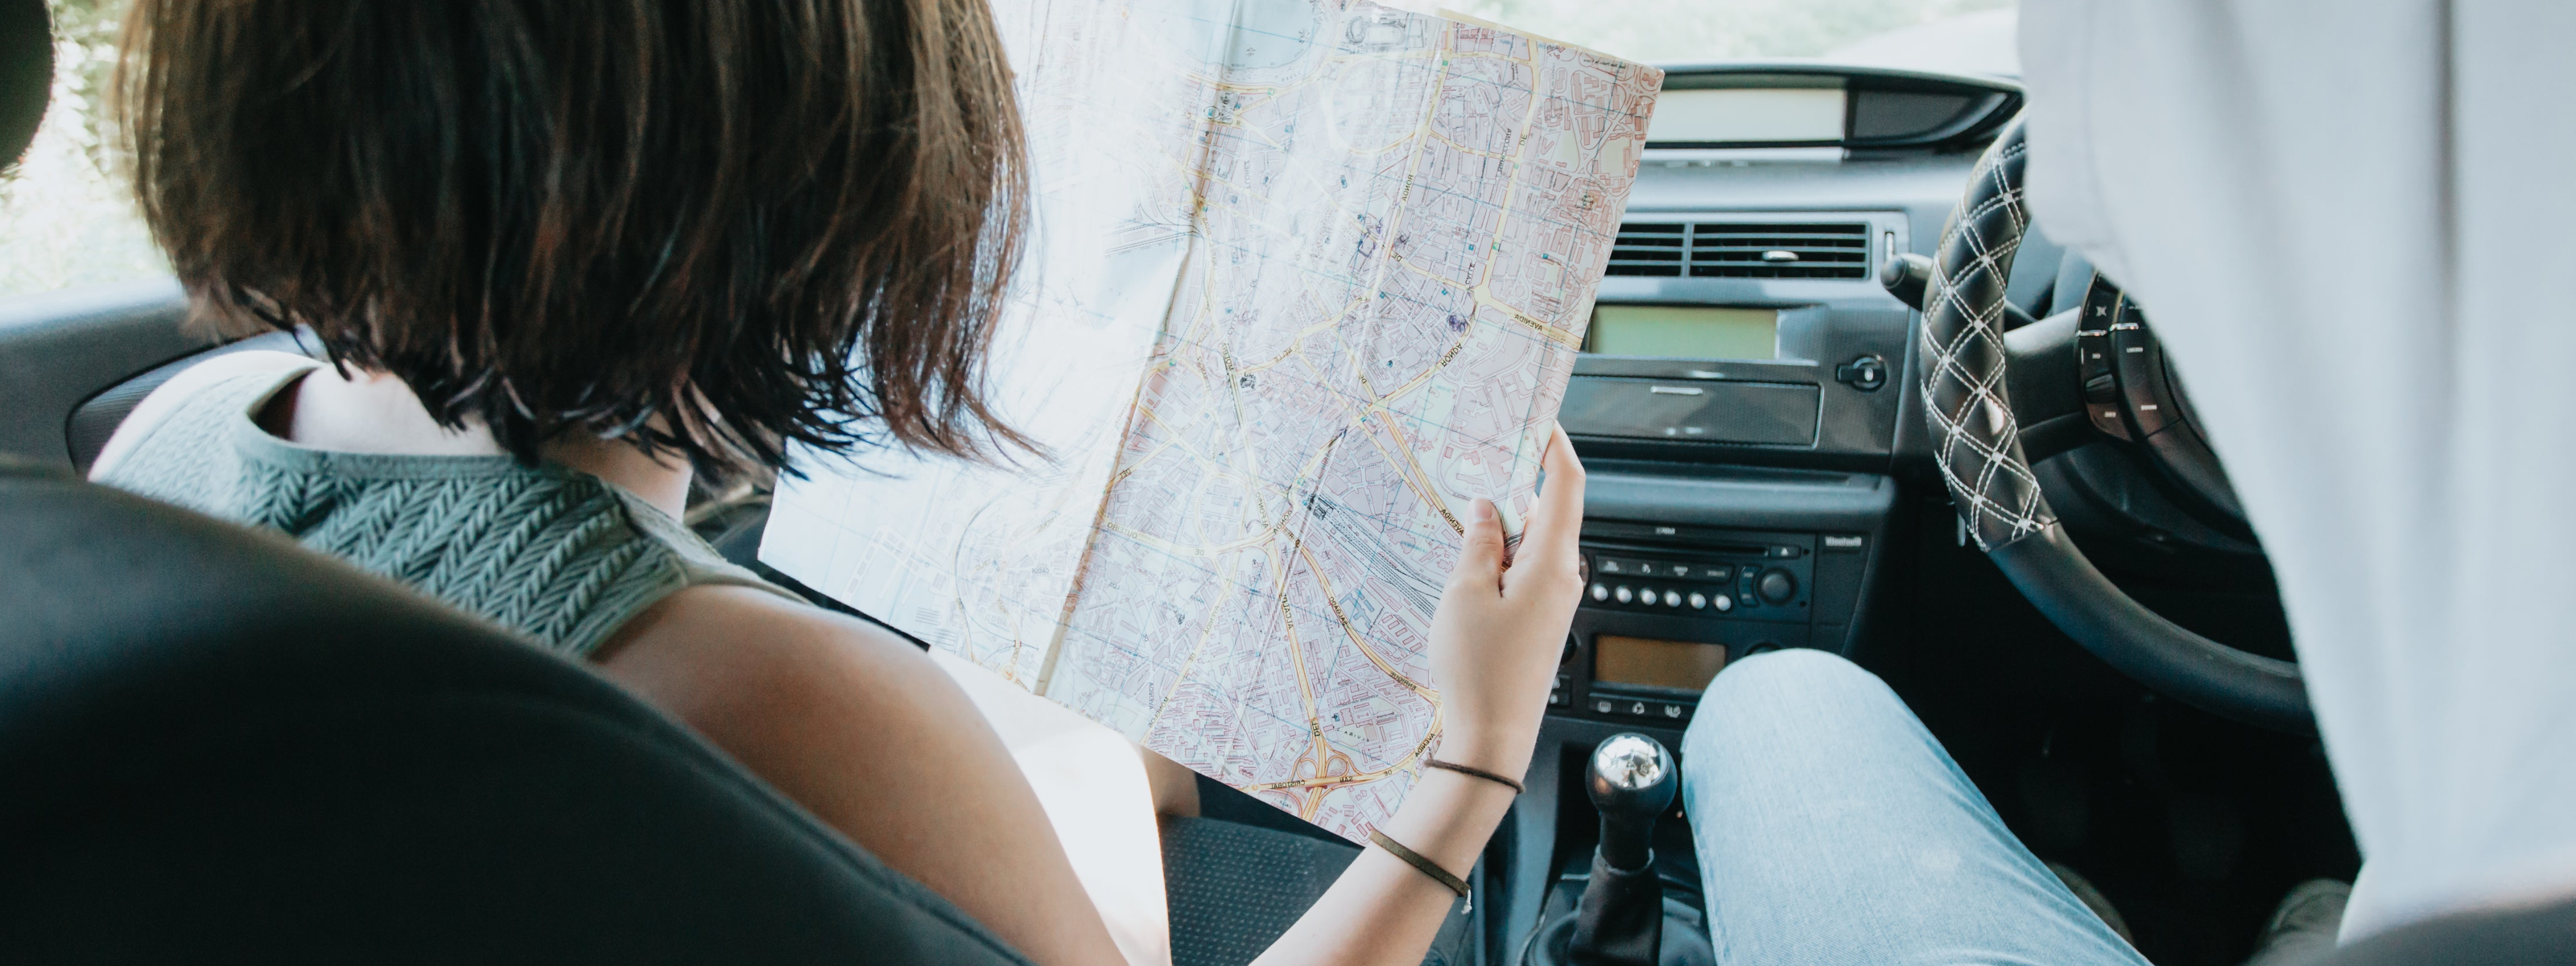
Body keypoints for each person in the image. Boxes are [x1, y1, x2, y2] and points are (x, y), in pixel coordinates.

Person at [83, 3, 1586, 966]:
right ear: (801, 213)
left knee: (1081, 741)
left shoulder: (162, 443)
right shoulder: (757, 692)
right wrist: (1470, 769)